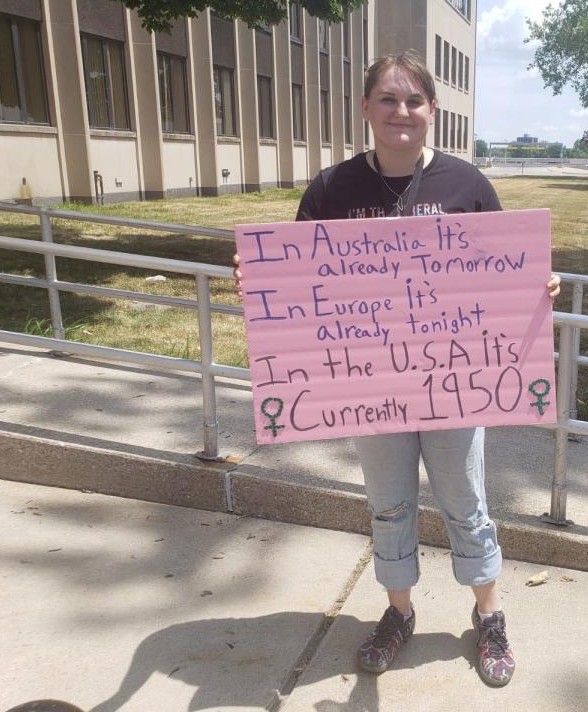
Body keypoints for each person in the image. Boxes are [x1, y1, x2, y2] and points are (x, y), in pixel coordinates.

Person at [234, 50, 560, 687]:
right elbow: (294, 283)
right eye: (387, 99)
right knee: (388, 508)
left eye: (414, 100)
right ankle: (399, 612)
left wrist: (537, 286)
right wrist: (256, 279)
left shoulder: (467, 185)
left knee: (467, 506)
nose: (401, 111)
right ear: (365, 109)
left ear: (432, 111)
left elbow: (506, 271)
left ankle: (489, 616)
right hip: (368, 390)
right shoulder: (332, 189)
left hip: (455, 386)